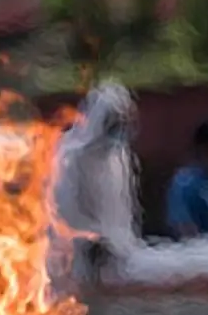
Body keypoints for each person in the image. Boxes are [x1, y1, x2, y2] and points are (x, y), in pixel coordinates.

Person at [48, 81, 141, 299]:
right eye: (112, 122)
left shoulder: (119, 157)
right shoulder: (70, 156)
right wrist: (91, 240)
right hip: (74, 262)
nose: (118, 129)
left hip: (114, 264)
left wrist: (117, 243)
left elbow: (123, 212)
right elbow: (64, 214)